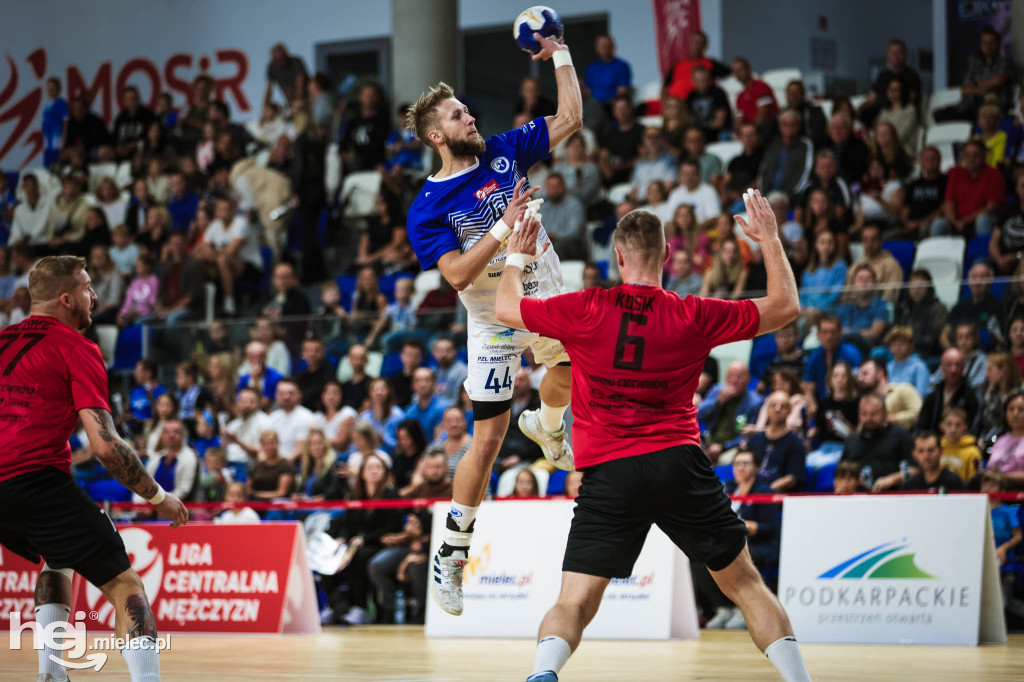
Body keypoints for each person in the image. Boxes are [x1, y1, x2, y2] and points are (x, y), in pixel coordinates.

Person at [494, 194, 810, 682]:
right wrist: (768, 238)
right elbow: (786, 305)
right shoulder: (695, 313)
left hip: (608, 474)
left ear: (617, 257)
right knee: (746, 585)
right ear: (666, 256)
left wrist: (516, 253)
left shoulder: (585, 307)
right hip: (677, 463)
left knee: (573, 603)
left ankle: (542, 675)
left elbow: (505, 307)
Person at [404, 35, 581, 617]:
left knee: (572, 369)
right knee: (488, 439)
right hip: (493, 315)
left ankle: (550, 427)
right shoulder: (426, 208)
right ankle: (451, 558)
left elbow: (572, 117)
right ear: (437, 135)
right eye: (457, 114)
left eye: (466, 109)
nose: (469, 115)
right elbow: (455, 274)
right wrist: (504, 228)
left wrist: (557, 52)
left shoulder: (506, 149)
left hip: (545, 293)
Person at [0, 255, 187, 681]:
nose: (95, 295)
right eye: (87, 287)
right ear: (66, 299)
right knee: (126, 587)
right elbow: (105, 447)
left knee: (56, 559)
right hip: (35, 479)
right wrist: (157, 496)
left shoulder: (2, 340)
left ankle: (52, 675)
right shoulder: (75, 346)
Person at [694, 449, 781, 630]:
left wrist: (749, 526)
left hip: (759, 545)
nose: (740, 468)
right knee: (697, 558)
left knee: (732, 557)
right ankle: (724, 607)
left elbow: (771, 528)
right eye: (737, 464)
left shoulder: (764, 491)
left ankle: (743, 608)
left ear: (756, 468)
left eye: (745, 463)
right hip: (729, 542)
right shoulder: (727, 489)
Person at [933, 27, 1014, 123]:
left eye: (991, 43)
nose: (988, 46)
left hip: (991, 106)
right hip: (968, 106)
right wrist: (983, 88)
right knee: (939, 115)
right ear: (981, 45)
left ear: (998, 44)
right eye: (984, 43)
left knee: (980, 114)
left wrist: (975, 85)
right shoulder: (975, 64)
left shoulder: (1005, 61)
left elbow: (998, 80)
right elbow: (965, 89)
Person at [930, 140, 1005, 237]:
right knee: (938, 224)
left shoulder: (994, 175)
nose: (971, 159)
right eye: (967, 155)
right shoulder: (956, 174)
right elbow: (949, 204)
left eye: (975, 155)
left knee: (983, 220)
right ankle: (937, 252)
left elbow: (991, 208)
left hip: (982, 220)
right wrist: (955, 222)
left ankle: (982, 251)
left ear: (984, 156)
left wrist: (965, 221)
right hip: (958, 221)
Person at [840, 394, 913, 487]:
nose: (868, 419)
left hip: (895, 496)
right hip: (859, 497)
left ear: (885, 413)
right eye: (864, 414)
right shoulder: (851, 442)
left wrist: (891, 480)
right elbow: (841, 474)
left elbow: (915, 470)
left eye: (873, 414)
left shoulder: (901, 436)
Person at [745, 392, 806, 492]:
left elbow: (793, 478)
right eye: (773, 405)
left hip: (779, 497)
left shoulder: (796, 443)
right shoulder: (754, 440)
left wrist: (765, 491)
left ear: (789, 410)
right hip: (753, 494)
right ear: (767, 409)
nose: (777, 409)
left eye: (783, 406)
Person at [802, 313, 862, 403]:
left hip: (847, 402)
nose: (829, 337)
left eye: (833, 332)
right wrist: (812, 405)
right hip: (822, 404)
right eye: (825, 332)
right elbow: (808, 387)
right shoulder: (814, 357)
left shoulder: (851, 353)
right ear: (818, 334)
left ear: (840, 333)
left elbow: (857, 386)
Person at [917, 348, 980, 434]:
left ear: (963, 368)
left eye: (957, 365)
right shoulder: (933, 396)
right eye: (949, 365)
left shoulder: (972, 397)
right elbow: (921, 426)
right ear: (942, 368)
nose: (953, 370)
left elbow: (974, 429)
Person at [757, 110, 813, 201]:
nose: (789, 128)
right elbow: (764, 170)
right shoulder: (773, 144)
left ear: (799, 126)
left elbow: (805, 171)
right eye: (785, 125)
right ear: (780, 126)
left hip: (793, 197)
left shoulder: (805, 145)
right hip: (768, 195)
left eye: (793, 125)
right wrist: (763, 194)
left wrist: (791, 194)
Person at [662, 30, 730, 102]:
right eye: (693, 42)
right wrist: (665, 102)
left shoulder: (710, 63)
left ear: (705, 46)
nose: (695, 46)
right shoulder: (677, 65)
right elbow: (665, 87)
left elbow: (730, 73)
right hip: (675, 104)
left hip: (697, 103)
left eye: (699, 43)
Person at [856, 358, 922, 431]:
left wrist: (891, 419)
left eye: (865, 374)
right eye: (860, 374)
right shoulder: (865, 401)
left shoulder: (903, 390)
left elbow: (919, 413)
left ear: (880, 373)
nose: (860, 378)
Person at [895, 270, 948, 359]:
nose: (916, 291)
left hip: (925, 352)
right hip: (902, 348)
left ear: (929, 288)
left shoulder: (938, 308)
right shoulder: (904, 307)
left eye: (920, 287)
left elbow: (933, 340)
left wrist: (911, 340)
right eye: (912, 287)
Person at [900, 147, 948, 238]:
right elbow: (905, 209)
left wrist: (920, 223)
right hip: (910, 225)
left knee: (924, 230)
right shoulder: (913, 184)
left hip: (931, 224)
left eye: (933, 158)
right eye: (926, 159)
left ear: (940, 160)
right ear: (921, 162)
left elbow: (944, 209)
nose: (930, 161)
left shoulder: (946, 181)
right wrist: (906, 223)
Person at [267, 378, 319, 461]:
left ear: (299, 395)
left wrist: (279, 465)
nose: (286, 397)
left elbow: (299, 450)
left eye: (290, 393)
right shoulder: (273, 417)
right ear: (276, 395)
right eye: (282, 393)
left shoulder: (306, 417)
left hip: (295, 464)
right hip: (274, 462)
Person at [799, 230, 846, 315]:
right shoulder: (809, 268)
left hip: (829, 311)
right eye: (822, 242)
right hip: (808, 311)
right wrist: (802, 307)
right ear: (816, 245)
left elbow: (836, 295)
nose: (826, 246)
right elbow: (803, 294)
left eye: (830, 243)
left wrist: (816, 308)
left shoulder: (839, 266)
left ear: (835, 246)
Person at [541, 173, 587, 260]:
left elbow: (575, 232)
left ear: (564, 187)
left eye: (556, 186)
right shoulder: (543, 207)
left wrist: (555, 236)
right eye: (550, 187)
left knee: (556, 247)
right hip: (547, 243)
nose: (553, 190)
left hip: (572, 245)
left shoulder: (575, 205)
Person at [666, 159, 722, 231]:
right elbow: (669, 221)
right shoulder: (675, 193)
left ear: (699, 174)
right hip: (678, 235)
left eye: (692, 174)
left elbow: (714, 219)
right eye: (685, 173)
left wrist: (693, 231)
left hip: (701, 234)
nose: (689, 177)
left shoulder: (709, 191)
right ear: (680, 175)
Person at [731, 57, 778, 138]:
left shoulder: (761, 86)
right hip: (750, 134)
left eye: (740, 69)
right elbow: (738, 119)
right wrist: (738, 133)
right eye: (735, 71)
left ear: (749, 69)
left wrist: (751, 131)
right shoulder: (740, 96)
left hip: (766, 131)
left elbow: (763, 114)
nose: (738, 73)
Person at [986, 391, 1024, 488]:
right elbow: (991, 468)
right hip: (996, 485)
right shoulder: (1001, 440)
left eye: (1021, 409)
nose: (1015, 414)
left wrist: (1003, 476)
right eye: (1011, 409)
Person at [685, 64, 732, 143]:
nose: (701, 84)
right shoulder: (690, 96)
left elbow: (720, 122)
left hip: (717, 133)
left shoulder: (718, 93)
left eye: (704, 80)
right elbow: (689, 119)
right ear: (693, 80)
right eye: (698, 80)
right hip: (697, 134)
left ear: (710, 79)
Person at [990, 174, 1024, 276]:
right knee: (979, 270)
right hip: (1002, 261)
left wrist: (1018, 257)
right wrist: (998, 259)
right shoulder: (1008, 210)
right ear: (1017, 189)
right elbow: (993, 241)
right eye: (1023, 185)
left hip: (1021, 263)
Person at [583, 35, 632, 104]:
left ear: (613, 47)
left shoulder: (622, 66)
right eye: (602, 46)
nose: (605, 49)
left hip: (613, 103)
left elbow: (622, 90)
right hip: (594, 104)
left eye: (607, 46)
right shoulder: (592, 68)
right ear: (597, 48)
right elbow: (587, 90)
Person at [249, 430, 296, 500]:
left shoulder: (286, 466)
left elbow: (281, 493)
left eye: (272, 443)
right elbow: (249, 488)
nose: (269, 447)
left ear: (278, 443)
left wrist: (258, 495)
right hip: (256, 502)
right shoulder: (258, 466)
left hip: (277, 505)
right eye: (266, 444)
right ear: (261, 446)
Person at [940, 406, 982, 482]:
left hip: (962, 492)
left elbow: (973, 482)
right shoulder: (936, 448)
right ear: (942, 425)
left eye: (958, 425)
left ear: (965, 426)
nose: (953, 429)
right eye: (949, 424)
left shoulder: (972, 452)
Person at [885, 326, 930, 397]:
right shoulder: (888, 367)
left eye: (902, 344)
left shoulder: (920, 367)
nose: (897, 347)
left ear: (911, 345)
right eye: (894, 344)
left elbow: (921, 395)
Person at [785, 80, 827, 150]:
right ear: (786, 95)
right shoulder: (783, 114)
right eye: (791, 93)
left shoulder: (815, 112)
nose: (793, 96)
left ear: (803, 94)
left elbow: (817, 138)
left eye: (797, 93)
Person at [265, 42, 308, 108]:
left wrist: (298, 100)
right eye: (277, 61)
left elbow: (300, 84)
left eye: (282, 59)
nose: (281, 63)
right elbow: (269, 88)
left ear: (286, 55)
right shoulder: (272, 67)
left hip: (304, 98)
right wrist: (266, 105)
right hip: (289, 100)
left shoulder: (296, 62)